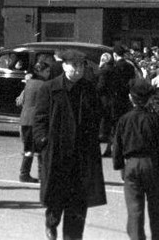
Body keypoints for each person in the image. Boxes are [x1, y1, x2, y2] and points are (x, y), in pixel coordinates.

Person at [34, 49, 106, 240]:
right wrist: (43, 142)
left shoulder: (89, 89)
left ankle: (73, 237)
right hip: (57, 151)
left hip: (81, 154)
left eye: (81, 66)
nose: (78, 69)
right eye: (74, 65)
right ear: (64, 66)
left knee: (78, 201)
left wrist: (96, 137)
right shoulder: (49, 88)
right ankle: (51, 222)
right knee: (56, 197)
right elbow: (39, 119)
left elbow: (98, 115)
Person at [113, 79, 159, 240]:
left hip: (132, 164)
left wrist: (120, 167)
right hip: (153, 165)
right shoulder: (154, 119)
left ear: (130, 98)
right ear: (149, 99)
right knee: (156, 209)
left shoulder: (124, 119)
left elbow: (117, 146)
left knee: (134, 209)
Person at [17, 61, 50, 183]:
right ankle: (42, 175)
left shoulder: (29, 84)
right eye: (46, 71)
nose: (48, 73)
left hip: (25, 119)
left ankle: (24, 173)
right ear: (40, 72)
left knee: (28, 149)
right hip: (36, 120)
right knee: (41, 148)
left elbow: (21, 101)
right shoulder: (44, 85)